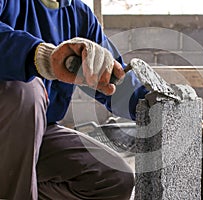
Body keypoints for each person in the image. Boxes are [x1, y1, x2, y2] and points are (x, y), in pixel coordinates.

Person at [0, 0, 148, 199]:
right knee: (26, 90)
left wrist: (157, 112)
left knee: (114, 179)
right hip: (7, 124)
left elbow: (114, 80)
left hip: (37, 131)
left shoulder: (78, 14)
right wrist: (42, 57)